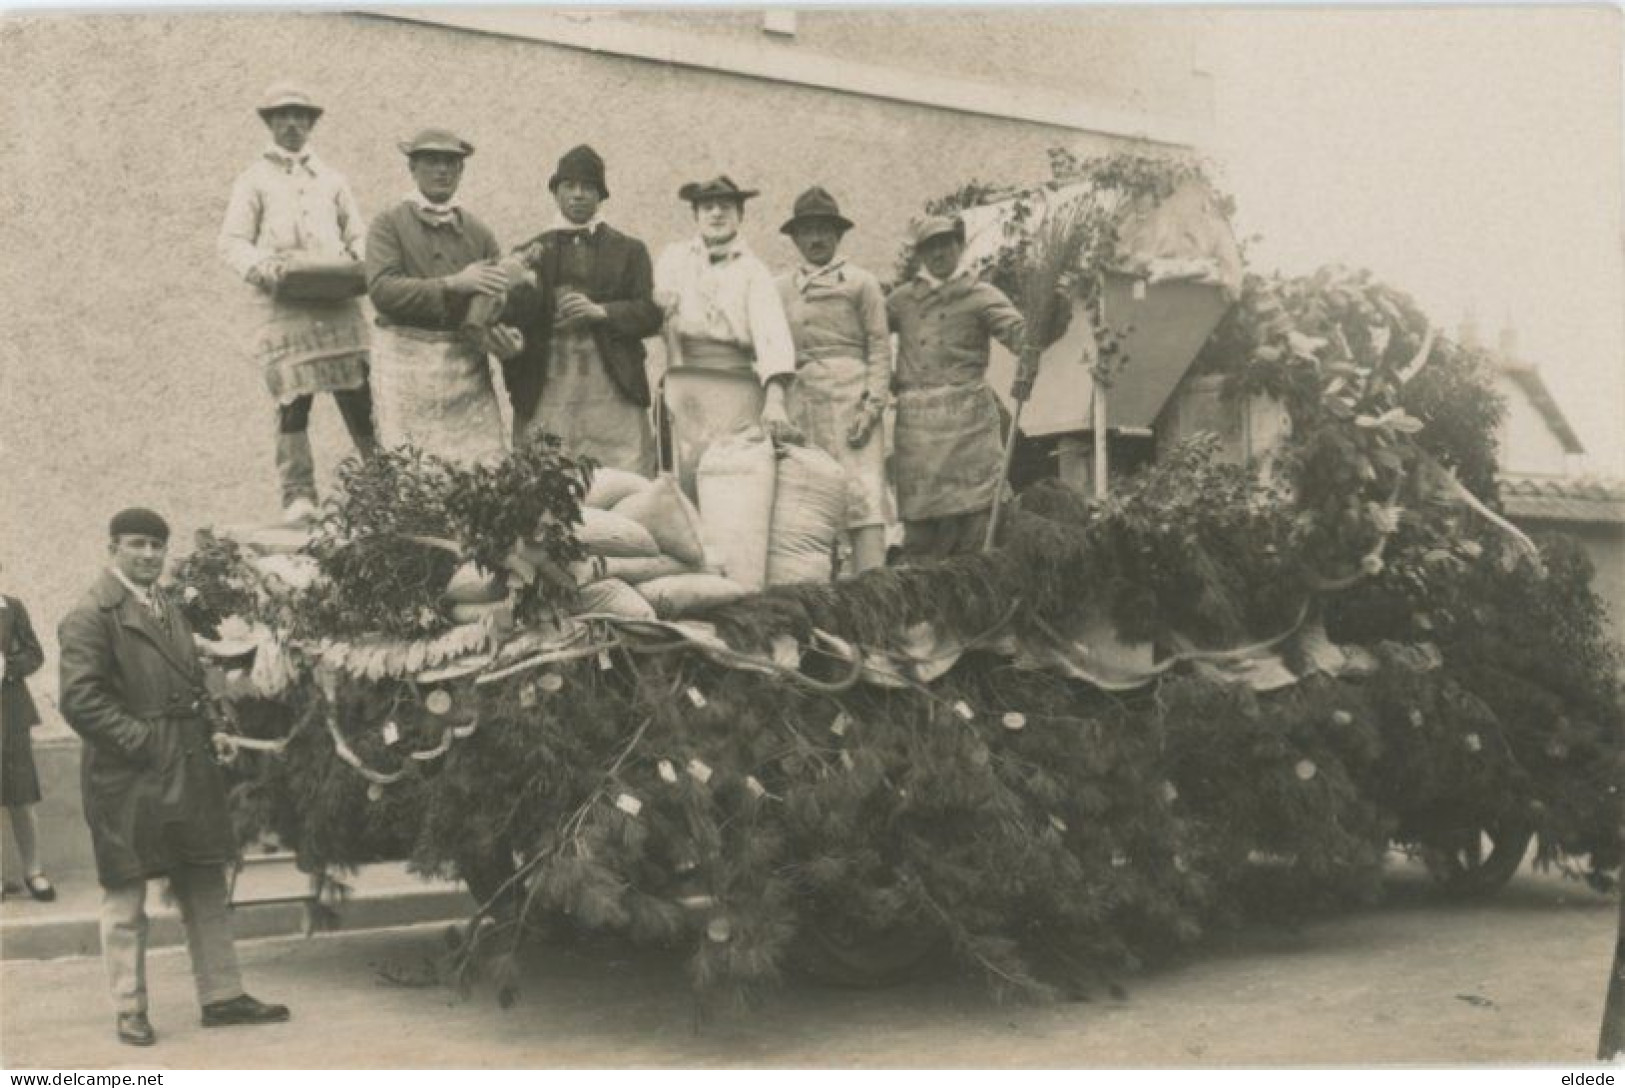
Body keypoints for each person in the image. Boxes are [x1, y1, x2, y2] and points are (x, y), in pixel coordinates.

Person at [58, 509, 288, 1047]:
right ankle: (129, 1009)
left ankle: (223, 996)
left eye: (157, 545)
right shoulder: (91, 614)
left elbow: (192, 681)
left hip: (187, 765)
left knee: (203, 879)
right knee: (126, 892)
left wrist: (214, 727)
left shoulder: (166, 608)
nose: (149, 554)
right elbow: (80, 701)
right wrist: (145, 743)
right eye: (137, 544)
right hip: (129, 778)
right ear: (113, 546)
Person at [218, 82, 377, 523]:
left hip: (337, 305)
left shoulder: (331, 179)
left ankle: (382, 484)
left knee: (359, 395)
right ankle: (298, 495)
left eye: (300, 116)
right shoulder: (253, 180)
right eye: (282, 116)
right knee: (293, 400)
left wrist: (355, 263)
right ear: (269, 123)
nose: (292, 124)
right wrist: (265, 269)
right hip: (286, 307)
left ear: (311, 123)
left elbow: (359, 235)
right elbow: (232, 242)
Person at [886, 215, 1070, 560]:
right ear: (919, 254)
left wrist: (1053, 312)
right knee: (921, 537)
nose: (939, 253)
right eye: (929, 246)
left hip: (968, 427)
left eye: (945, 243)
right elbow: (869, 340)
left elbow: (1022, 338)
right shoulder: (900, 301)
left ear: (959, 245)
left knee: (979, 529)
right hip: (918, 431)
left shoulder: (981, 295)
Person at [365, 128, 522, 467]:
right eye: (432, 161)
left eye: (451, 163)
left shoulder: (479, 232)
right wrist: (453, 284)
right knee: (413, 474)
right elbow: (382, 291)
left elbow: (496, 303)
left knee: (481, 473)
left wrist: (505, 339)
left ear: (461, 170)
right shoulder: (388, 224)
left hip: (464, 371)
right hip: (404, 366)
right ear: (412, 168)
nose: (442, 171)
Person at [505, 145, 663, 474]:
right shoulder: (528, 251)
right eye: (569, 187)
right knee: (546, 479)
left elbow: (650, 313)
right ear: (555, 192)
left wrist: (601, 312)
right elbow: (512, 322)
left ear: (601, 195)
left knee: (623, 481)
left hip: (613, 388)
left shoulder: (630, 250)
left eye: (587, 187)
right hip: (548, 387)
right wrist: (518, 280)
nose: (578, 195)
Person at [653, 175, 797, 499]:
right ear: (696, 215)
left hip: (736, 386)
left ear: (740, 215)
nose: (716, 213)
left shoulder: (753, 271)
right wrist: (678, 378)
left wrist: (774, 401)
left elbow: (772, 336)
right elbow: (666, 320)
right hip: (686, 379)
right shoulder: (674, 259)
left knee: (733, 478)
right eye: (707, 207)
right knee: (683, 474)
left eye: (726, 207)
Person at [774, 187, 892, 574]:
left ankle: (875, 595)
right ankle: (824, 596)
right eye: (807, 231)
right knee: (812, 496)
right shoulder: (779, 288)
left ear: (838, 235)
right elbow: (771, 348)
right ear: (794, 238)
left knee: (863, 496)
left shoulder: (861, 283)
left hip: (852, 401)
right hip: (802, 402)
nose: (816, 239)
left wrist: (872, 405)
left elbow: (879, 347)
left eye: (824, 229)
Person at [1, 563, 53, 902]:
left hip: (11, 714)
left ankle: (33, 871)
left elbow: (36, 654)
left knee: (21, 794)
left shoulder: (12, 607)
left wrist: (8, 667)